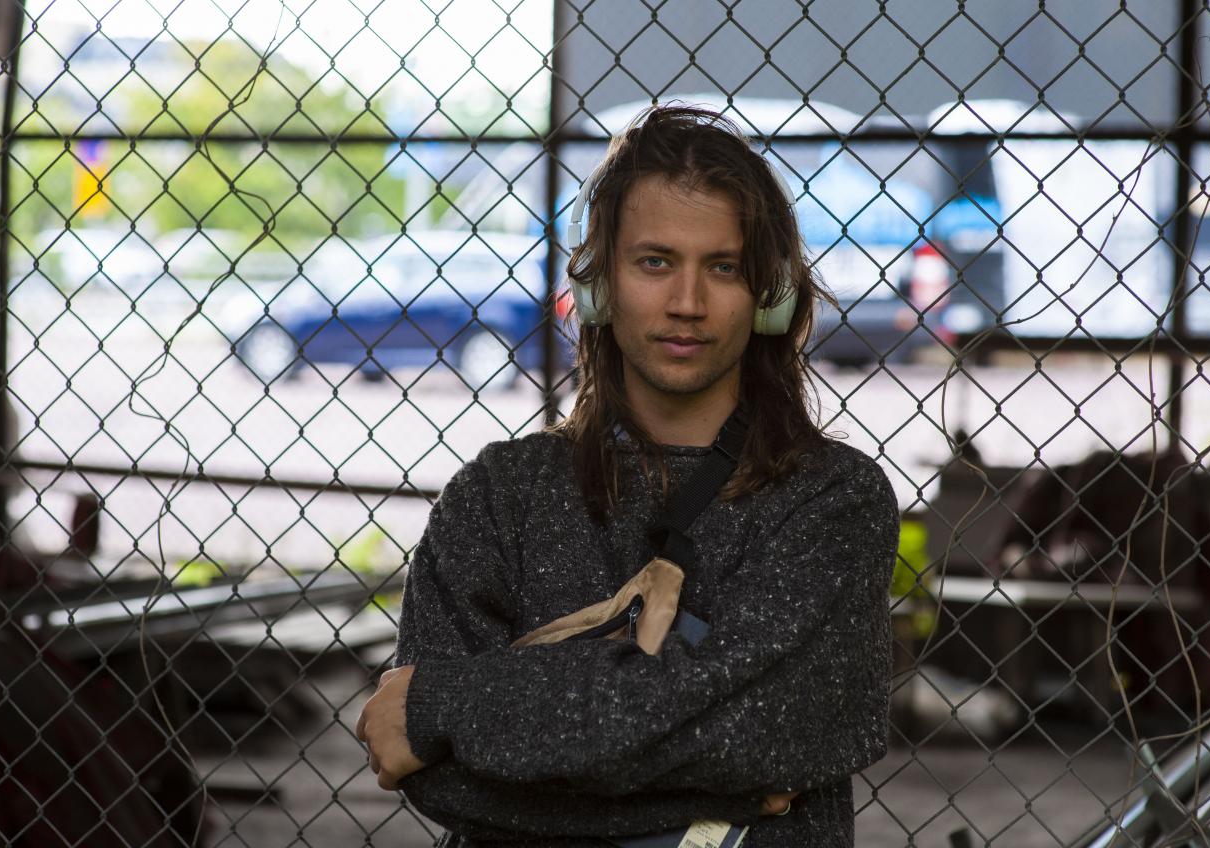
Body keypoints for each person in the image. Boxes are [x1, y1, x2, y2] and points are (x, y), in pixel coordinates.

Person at [355, 105, 900, 847]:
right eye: (654, 262)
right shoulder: (497, 495)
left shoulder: (832, 499)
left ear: (768, 297)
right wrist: (710, 775)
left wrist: (446, 704)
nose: (687, 303)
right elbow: (432, 775)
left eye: (723, 267)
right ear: (596, 285)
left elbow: (782, 733)